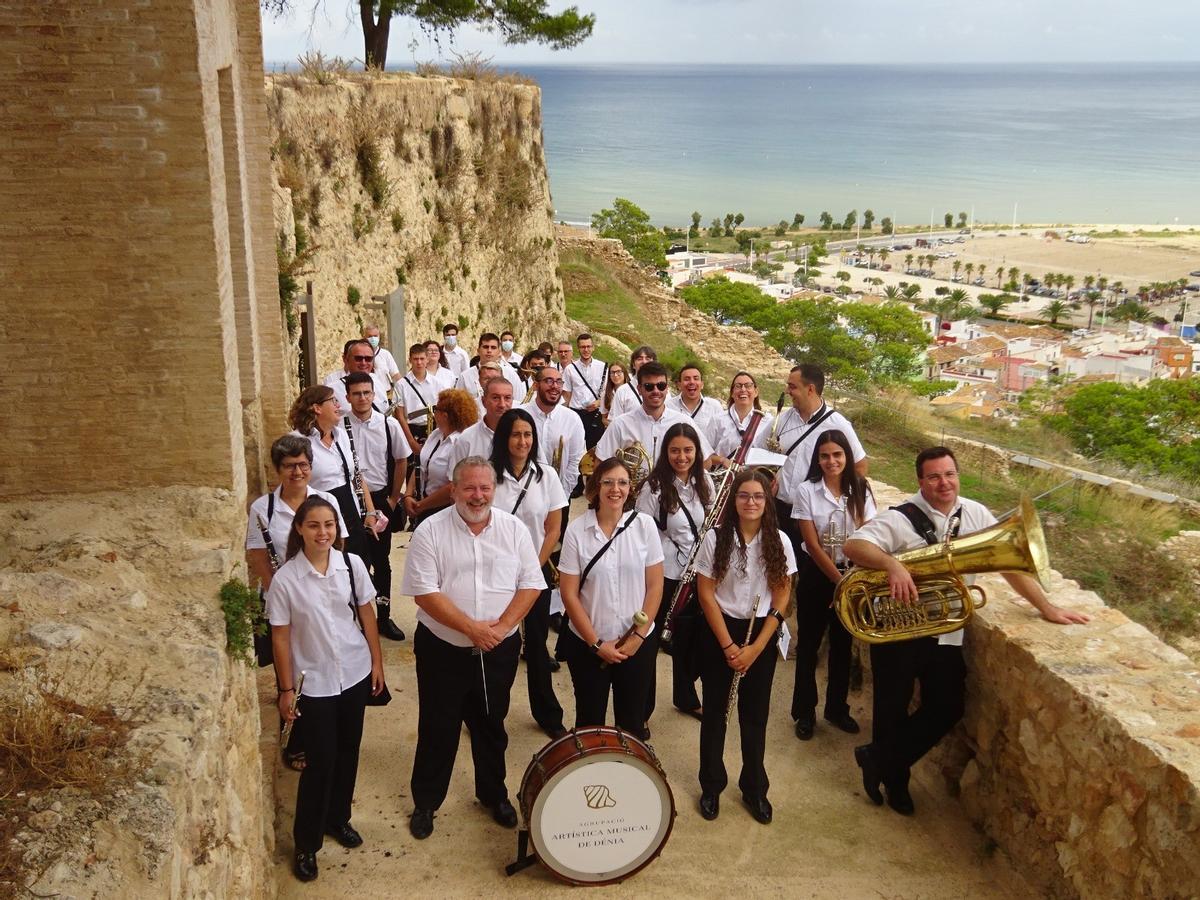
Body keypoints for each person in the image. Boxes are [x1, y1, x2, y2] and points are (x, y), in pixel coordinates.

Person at [844, 446, 1090, 817]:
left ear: (957, 475)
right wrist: (892, 565)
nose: (944, 483)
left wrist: (1047, 608)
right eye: (934, 476)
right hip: (897, 632)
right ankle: (896, 783)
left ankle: (877, 759)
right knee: (890, 710)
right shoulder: (899, 518)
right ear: (920, 481)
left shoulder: (976, 513)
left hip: (945, 632)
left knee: (948, 706)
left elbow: (1008, 565)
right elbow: (854, 545)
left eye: (949, 474)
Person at [400, 457, 546, 840]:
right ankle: (426, 801)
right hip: (442, 649)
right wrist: (471, 629)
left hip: (498, 648)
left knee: (491, 724)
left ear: (494, 489)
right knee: (438, 727)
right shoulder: (430, 531)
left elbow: (531, 584)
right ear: (453, 489)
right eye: (469, 488)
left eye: (484, 488)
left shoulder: (514, 530)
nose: (477, 496)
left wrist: (501, 628)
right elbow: (424, 593)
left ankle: (493, 795)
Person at [268, 496, 386, 882]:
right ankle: (307, 843)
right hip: (315, 682)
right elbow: (281, 638)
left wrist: (377, 662)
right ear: (299, 529)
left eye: (329, 525)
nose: (323, 532)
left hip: (353, 672)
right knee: (320, 762)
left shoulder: (351, 565)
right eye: (314, 525)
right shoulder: (286, 580)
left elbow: (366, 613)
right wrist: (286, 690)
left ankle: (338, 818)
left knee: (349, 751)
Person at [694, 470, 795, 825]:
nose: (751, 502)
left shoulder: (779, 540)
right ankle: (711, 784)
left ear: (767, 502)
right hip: (720, 630)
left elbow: (781, 597)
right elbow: (706, 593)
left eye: (758, 496)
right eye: (744, 495)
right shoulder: (715, 537)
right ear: (734, 500)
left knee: (754, 716)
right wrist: (728, 646)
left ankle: (754, 788)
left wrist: (754, 649)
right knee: (715, 713)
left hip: (760, 632)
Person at [246, 434, 349, 771]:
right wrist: (281, 592)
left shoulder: (325, 499)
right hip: (286, 602)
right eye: (290, 466)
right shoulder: (263, 508)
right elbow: (259, 557)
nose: (297, 472)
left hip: (322, 598)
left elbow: (338, 544)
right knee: (288, 668)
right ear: (278, 469)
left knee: (321, 661)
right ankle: (295, 740)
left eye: (303, 465)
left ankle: (324, 728)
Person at [557, 458, 664, 738]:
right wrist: (596, 643)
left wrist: (638, 637)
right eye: (608, 482)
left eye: (622, 483)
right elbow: (568, 593)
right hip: (588, 644)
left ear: (630, 488)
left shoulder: (645, 526)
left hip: (636, 644)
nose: (615, 489)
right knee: (589, 722)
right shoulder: (577, 530)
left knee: (632, 723)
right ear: (596, 487)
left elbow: (655, 586)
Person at [790, 429, 877, 740]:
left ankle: (837, 708)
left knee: (843, 645)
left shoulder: (861, 489)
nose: (831, 461)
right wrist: (838, 582)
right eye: (825, 456)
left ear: (847, 457)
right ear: (817, 459)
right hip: (818, 575)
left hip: (852, 574)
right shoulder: (806, 491)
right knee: (809, 646)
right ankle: (804, 712)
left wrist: (848, 580)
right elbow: (813, 545)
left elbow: (869, 534)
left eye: (837, 455)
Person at [490, 409, 568, 739]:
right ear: (503, 438)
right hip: (496, 574)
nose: (523, 441)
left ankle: (548, 714)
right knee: (497, 644)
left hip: (535, 572)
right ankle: (488, 713)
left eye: (528, 435)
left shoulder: (546, 476)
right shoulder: (489, 474)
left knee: (537, 643)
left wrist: (534, 566)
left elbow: (554, 528)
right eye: (515, 434)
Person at [636, 422, 713, 723]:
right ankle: (641, 711)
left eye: (688, 450)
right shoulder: (653, 487)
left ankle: (686, 697)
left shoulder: (704, 481)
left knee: (688, 641)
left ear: (697, 451)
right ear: (665, 453)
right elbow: (642, 532)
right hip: (664, 574)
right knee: (651, 641)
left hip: (695, 573)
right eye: (675, 451)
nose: (682, 457)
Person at [756, 364, 867, 560]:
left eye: (792, 386)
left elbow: (860, 466)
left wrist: (833, 498)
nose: (787, 391)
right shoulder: (782, 419)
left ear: (810, 389)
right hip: (778, 509)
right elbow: (757, 452)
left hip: (814, 516)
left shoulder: (838, 424)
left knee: (808, 569)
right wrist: (764, 478)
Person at [343, 371, 411, 642]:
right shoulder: (339, 426)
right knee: (351, 560)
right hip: (349, 501)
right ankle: (354, 619)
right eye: (356, 393)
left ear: (373, 394)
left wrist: (393, 499)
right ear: (348, 397)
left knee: (382, 562)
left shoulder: (388, 424)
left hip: (380, 498)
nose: (362, 398)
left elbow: (402, 460)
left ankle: (383, 616)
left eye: (366, 393)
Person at [288, 385, 373, 560]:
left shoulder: (341, 435)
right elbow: (293, 486)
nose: (338, 405)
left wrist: (370, 511)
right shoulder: (297, 441)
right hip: (320, 517)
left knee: (359, 563)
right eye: (333, 401)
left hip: (350, 513)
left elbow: (355, 474)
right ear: (317, 408)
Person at [596, 361, 715, 483]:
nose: (656, 391)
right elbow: (601, 462)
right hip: (632, 494)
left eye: (661, 386)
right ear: (639, 389)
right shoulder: (620, 424)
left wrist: (683, 485)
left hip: (673, 493)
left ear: (667, 388)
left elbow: (706, 461)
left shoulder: (684, 422)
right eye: (649, 386)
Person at [403, 388, 477, 529]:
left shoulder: (460, 441)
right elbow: (421, 465)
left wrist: (421, 506)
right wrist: (408, 495)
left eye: (436, 409)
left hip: (443, 509)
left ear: (445, 415)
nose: (433, 412)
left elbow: (453, 486)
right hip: (423, 505)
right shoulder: (435, 434)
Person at [521, 365, 586, 506]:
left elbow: (575, 461)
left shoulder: (572, 419)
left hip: (558, 495)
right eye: (549, 381)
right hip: (522, 494)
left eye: (559, 382)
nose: (555, 386)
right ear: (536, 385)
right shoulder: (519, 414)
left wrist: (562, 494)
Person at [708, 371, 774, 463]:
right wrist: (723, 460)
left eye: (748, 386)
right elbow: (705, 454)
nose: (743, 389)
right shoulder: (717, 420)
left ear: (756, 392)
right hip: (723, 472)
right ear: (732, 393)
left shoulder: (768, 421)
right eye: (738, 386)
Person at [450, 376, 513, 467]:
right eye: (495, 398)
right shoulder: (466, 439)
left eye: (507, 398)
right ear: (483, 401)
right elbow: (455, 474)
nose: (502, 405)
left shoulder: (522, 437)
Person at [561, 332, 608, 449]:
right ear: (578, 348)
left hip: (596, 414)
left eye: (588, 346)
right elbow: (567, 395)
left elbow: (608, 392)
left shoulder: (603, 367)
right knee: (575, 449)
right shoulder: (569, 369)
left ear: (593, 347)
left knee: (596, 450)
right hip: (576, 414)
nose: (586, 350)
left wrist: (599, 402)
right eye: (582, 347)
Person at [323, 339, 392, 417]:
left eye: (368, 359)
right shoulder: (332, 390)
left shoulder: (378, 382)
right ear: (347, 360)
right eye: (358, 358)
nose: (363, 363)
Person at [456, 333, 522, 402]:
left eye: (493, 347)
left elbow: (519, 403)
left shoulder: (511, 375)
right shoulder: (465, 377)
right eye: (485, 347)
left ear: (499, 352)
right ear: (478, 351)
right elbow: (457, 403)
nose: (489, 351)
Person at [667, 362, 722, 435]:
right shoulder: (668, 406)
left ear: (702, 384)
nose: (692, 382)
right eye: (687, 379)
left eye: (696, 378)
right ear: (679, 385)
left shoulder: (714, 406)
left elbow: (721, 435)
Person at [601, 361, 630, 427]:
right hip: (613, 429)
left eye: (618, 372)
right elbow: (604, 418)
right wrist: (615, 426)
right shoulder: (605, 394)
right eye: (612, 372)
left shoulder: (632, 391)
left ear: (624, 373)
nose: (615, 375)